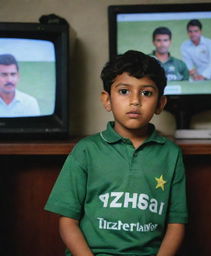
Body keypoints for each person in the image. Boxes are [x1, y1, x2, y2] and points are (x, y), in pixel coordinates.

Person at [44, 50, 188, 256]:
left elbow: (176, 224)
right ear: (107, 100)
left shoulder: (171, 154)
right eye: (124, 91)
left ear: (160, 104)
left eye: (146, 93)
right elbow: (67, 221)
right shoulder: (86, 150)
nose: (135, 101)